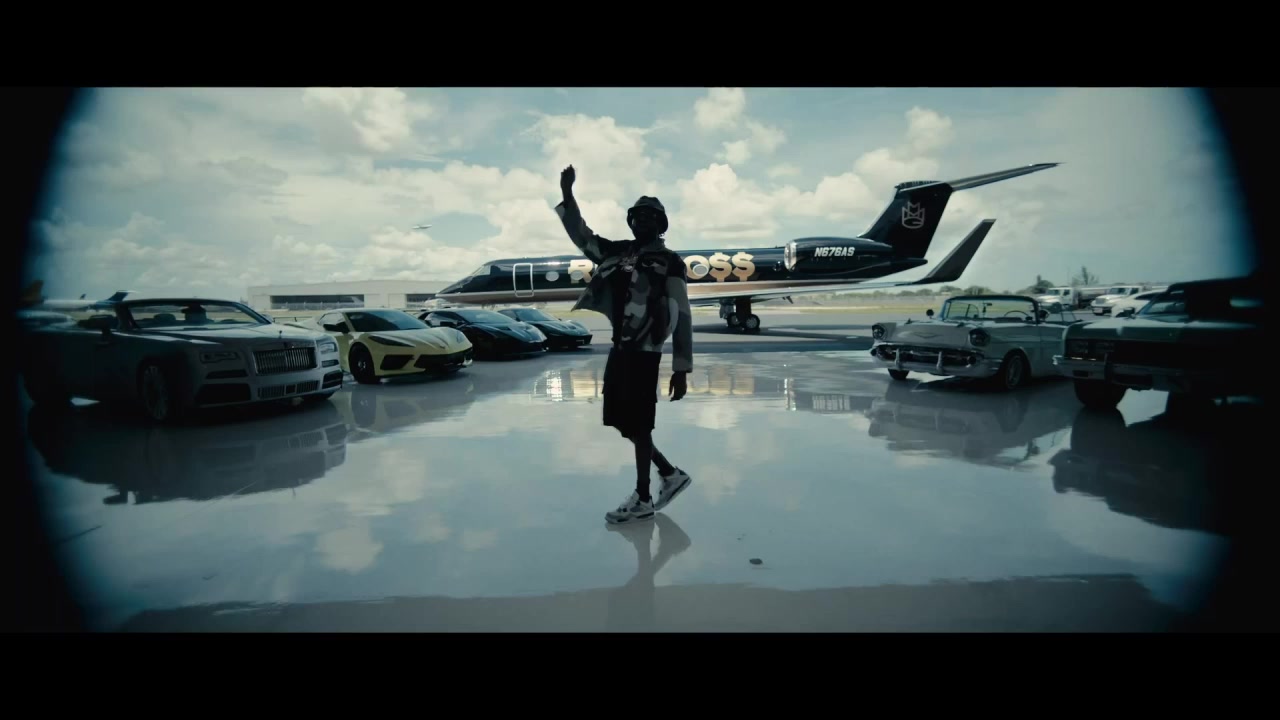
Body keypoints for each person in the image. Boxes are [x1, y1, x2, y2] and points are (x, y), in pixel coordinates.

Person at [554, 164, 694, 524]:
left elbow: (682, 314)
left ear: (661, 224)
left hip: (645, 353)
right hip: (620, 348)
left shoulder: (670, 262)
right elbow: (582, 236)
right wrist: (568, 194)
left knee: (640, 424)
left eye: (650, 216)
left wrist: (681, 368)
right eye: (637, 215)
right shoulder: (615, 251)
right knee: (621, 420)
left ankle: (643, 497)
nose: (642, 220)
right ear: (630, 221)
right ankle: (669, 473)